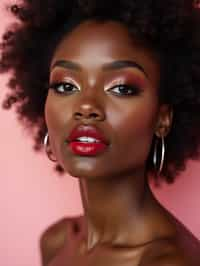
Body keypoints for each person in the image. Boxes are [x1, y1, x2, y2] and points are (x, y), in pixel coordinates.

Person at [1, 0, 200, 265]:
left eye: (121, 88)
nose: (86, 107)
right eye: (65, 86)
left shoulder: (168, 261)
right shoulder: (56, 240)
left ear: (162, 119)